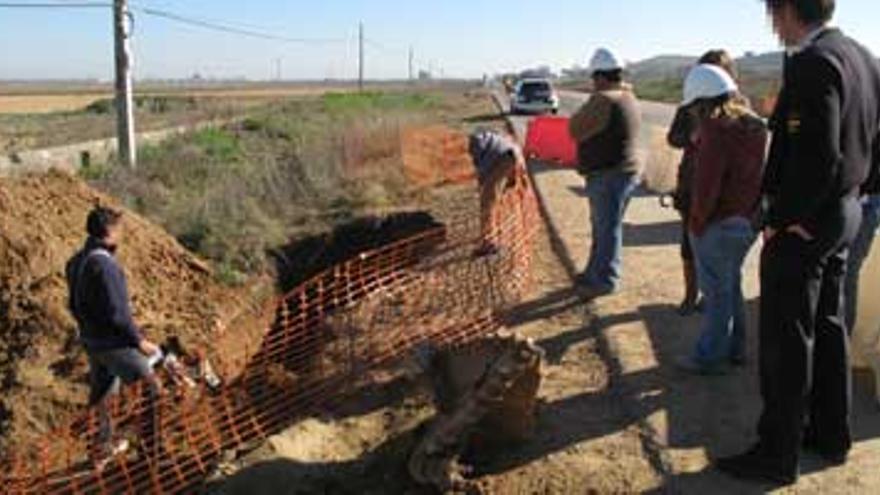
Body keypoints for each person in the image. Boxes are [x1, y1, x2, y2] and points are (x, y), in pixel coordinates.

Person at [717, 0, 880, 484]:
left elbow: (818, 153)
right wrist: (859, 191)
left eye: (774, 15)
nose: (774, 27)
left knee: (786, 343)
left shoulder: (812, 62)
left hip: (809, 221)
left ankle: (776, 453)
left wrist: (786, 219)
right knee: (828, 329)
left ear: (787, 10)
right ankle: (831, 435)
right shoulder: (863, 57)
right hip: (846, 211)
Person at [673, 64, 767, 374]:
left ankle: (710, 357)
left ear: (701, 101)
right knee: (731, 286)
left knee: (716, 296)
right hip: (746, 222)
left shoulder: (715, 131)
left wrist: (696, 222)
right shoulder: (754, 126)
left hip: (718, 224)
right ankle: (736, 348)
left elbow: (707, 186)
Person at [66, 206, 163, 469]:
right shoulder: (105, 265)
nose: (123, 233)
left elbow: (73, 305)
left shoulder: (75, 261)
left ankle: (102, 449)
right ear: (109, 231)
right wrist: (138, 341)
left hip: (92, 342)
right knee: (151, 389)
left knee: (103, 396)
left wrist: (89, 331)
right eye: (119, 228)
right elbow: (118, 313)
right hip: (114, 344)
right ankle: (150, 456)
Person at [667, 49, 742, 316]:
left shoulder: (739, 108)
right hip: (692, 186)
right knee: (689, 247)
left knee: (721, 255)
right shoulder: (689, 106)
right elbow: (673, 138)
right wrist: (693, 136)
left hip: (726, 193)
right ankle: (691, 295)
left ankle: (714, 302)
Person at [569, 48, 642, 298]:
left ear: (600, 76)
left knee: (607, 229)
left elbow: (575, 128)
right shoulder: (628, 96)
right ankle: (594, 272)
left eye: (593, 78)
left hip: (609, 175)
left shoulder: (603, 100)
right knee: (605, 227)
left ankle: (605, 279)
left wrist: (591, 100)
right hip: (622, 173)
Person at [468, 128, 527, 255]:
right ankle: (492, 233)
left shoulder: (477, 145)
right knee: (493, 199)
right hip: (511, 155)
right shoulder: (504, 143)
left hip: (504, 157)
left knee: (487, 203)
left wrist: (482, 184)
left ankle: (488, 243)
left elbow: (482, 168)